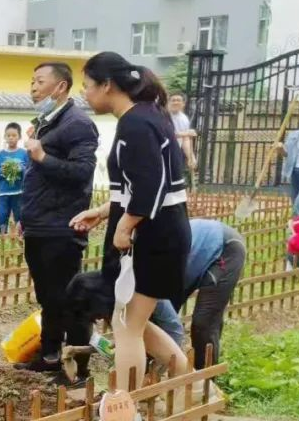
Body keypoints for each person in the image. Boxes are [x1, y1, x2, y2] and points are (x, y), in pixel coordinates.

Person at [70, 52, 192, 388]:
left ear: (107, 85)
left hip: (153, 237)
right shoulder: (147, 116)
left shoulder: (136, 123)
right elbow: (140, 185)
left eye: (88, 86)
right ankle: (190, 385)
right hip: (161, 230)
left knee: (126, 325)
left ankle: (125, 412)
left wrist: (124, 226)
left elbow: (151, 185)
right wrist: (106, 211)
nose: (85, 94)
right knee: (132, 321)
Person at [18, 62, 99, 377]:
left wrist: (42, 157)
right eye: (32, 80)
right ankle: (50, 356)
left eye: (40, 81)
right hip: (40, 223)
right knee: (48, 297)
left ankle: (79, 368)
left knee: (68, 297)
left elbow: (82, 172)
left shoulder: (77, 124)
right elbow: (38, 178)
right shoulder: (46, 123)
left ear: (61, 87)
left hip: (62, 226)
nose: (33, 87)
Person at [149, 220, 245, 369]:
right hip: (190, 257)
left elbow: (173, 329)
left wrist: (160, 367)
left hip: (225, 249)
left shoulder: (149, 284)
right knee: (155, 318)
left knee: (204, 322)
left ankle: (205, 382)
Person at [0, 122, 28, 235]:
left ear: (19, 137)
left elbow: (29, 171)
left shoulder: (24, 154)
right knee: (2, 215)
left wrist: (21, 169)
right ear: (5, 137)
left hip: (19, 192)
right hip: (3, 193)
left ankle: (20, 238)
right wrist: (1, 171)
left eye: (14, 135)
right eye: (8, 135)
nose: (11, 138)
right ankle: (2, 236)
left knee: (19, 216)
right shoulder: (0, 155)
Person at [167, 93, 198, 175]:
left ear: (183, 104)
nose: (176, 102)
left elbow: (185, 139)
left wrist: (191, 157)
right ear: (168, 103)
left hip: (176, 151)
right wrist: (185, 133)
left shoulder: (184, 119)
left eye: (178, 100)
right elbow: (165, 134)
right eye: (173, 100)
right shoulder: (163, 116)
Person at [274, 130, 299, 215]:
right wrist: (280, 149)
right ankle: (297, 223)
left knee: (297, 203)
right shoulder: (293, 135)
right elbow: (287, 154)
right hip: (295, 171)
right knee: (294, 198)